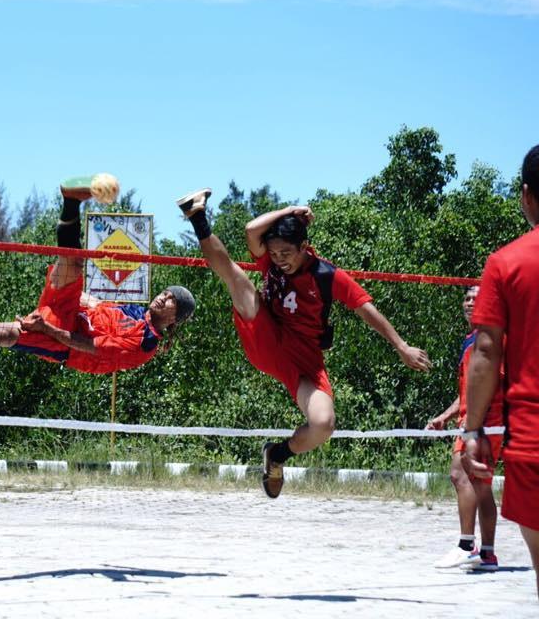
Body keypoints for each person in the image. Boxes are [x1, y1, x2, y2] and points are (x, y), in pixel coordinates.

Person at [176, 189, 431, 498]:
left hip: (305, 357)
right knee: (235, 276)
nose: (279, 260)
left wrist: (401, 346)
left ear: (304, 247)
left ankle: (277, 455)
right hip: (269, 334)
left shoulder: (327, 275)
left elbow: (366, 309)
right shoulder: (271, 261)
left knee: (323, 424)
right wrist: (290, 209)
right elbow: (250, 230)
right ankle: (197, 216)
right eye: (274, 253)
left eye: (286, 253)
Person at [0, 179, 196, 374]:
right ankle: (71, 201)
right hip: (72, 314)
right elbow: (95, 305)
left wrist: (46, 328)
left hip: (67, 342)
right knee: (72, 262)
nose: (163, 296)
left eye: (171, 300)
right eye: (166, 292)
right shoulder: (134, 311)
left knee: (10, 334)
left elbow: (86, 345)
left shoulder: (145, 344)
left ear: (174, 317)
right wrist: (68, 284)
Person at [463, 144, 539, 598]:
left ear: (527, 195)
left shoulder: (506, 263)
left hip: (534, 440)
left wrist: (473, 429)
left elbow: (486, 351)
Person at [425, 285, 502, 571]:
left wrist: (474, 427)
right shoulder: (473, 339)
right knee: (481, 486)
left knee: (460, 474)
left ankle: (466, 546)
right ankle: (488, 555)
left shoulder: (488, 338)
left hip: (483, 422)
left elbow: (489, 385)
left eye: (477, 299)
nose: (471, 303)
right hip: (478, 420)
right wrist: (445, 416)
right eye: (467, 298)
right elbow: (469, 390)